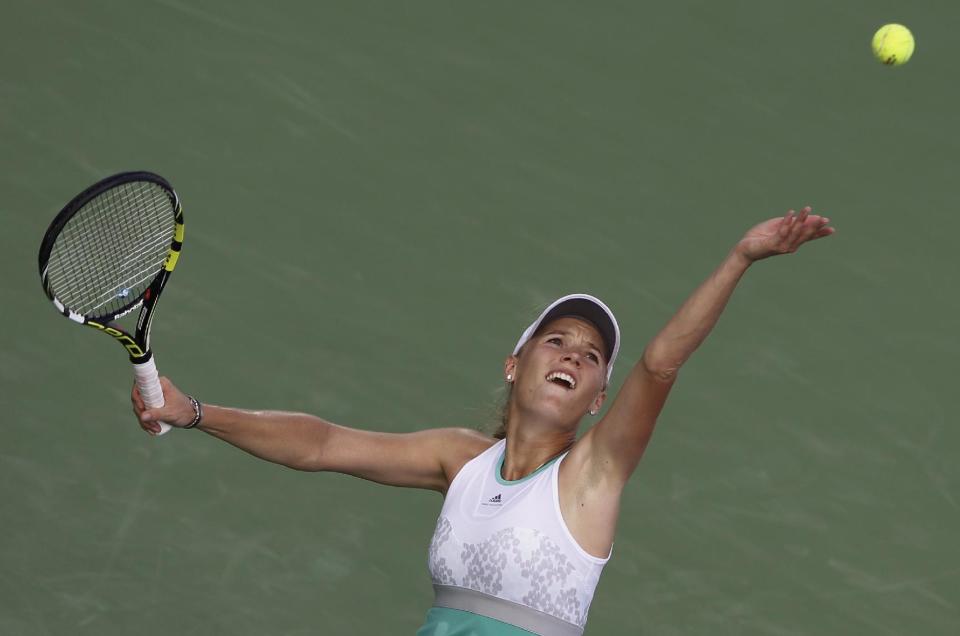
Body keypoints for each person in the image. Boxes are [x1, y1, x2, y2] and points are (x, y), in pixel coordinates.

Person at [133, 207, 834, 635]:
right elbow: (324, 445)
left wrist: (740, 258)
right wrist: (193, 412)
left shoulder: (592, 476)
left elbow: (657, 366)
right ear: (514, 364)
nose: (573, 355)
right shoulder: (461, 460)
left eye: (592, 357)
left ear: (597, 400)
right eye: (556, 340)